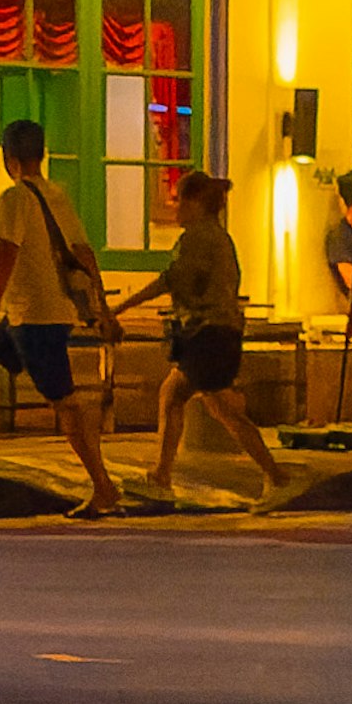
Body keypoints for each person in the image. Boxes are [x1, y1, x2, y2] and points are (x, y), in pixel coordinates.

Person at [0, 115, 122, 514]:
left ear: (7, 157)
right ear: (42, 154)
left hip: (34, 316)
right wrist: (101, 308)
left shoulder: (12, 199)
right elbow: (84, 254)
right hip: (36, 313)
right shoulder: (57, 197)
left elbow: (5, 258)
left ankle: (103, 486)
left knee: (64, 402)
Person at [119, 170, 285, 506]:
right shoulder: (216, 236)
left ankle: (275, 476)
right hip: (217, 334)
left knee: (199, 402)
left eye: (179, 199)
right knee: (198, 401)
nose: (174, 207)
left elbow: (172, 280)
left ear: (195, 202)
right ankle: (163, 475)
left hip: (209, 335)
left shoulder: (199, 237)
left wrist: (120, 307)